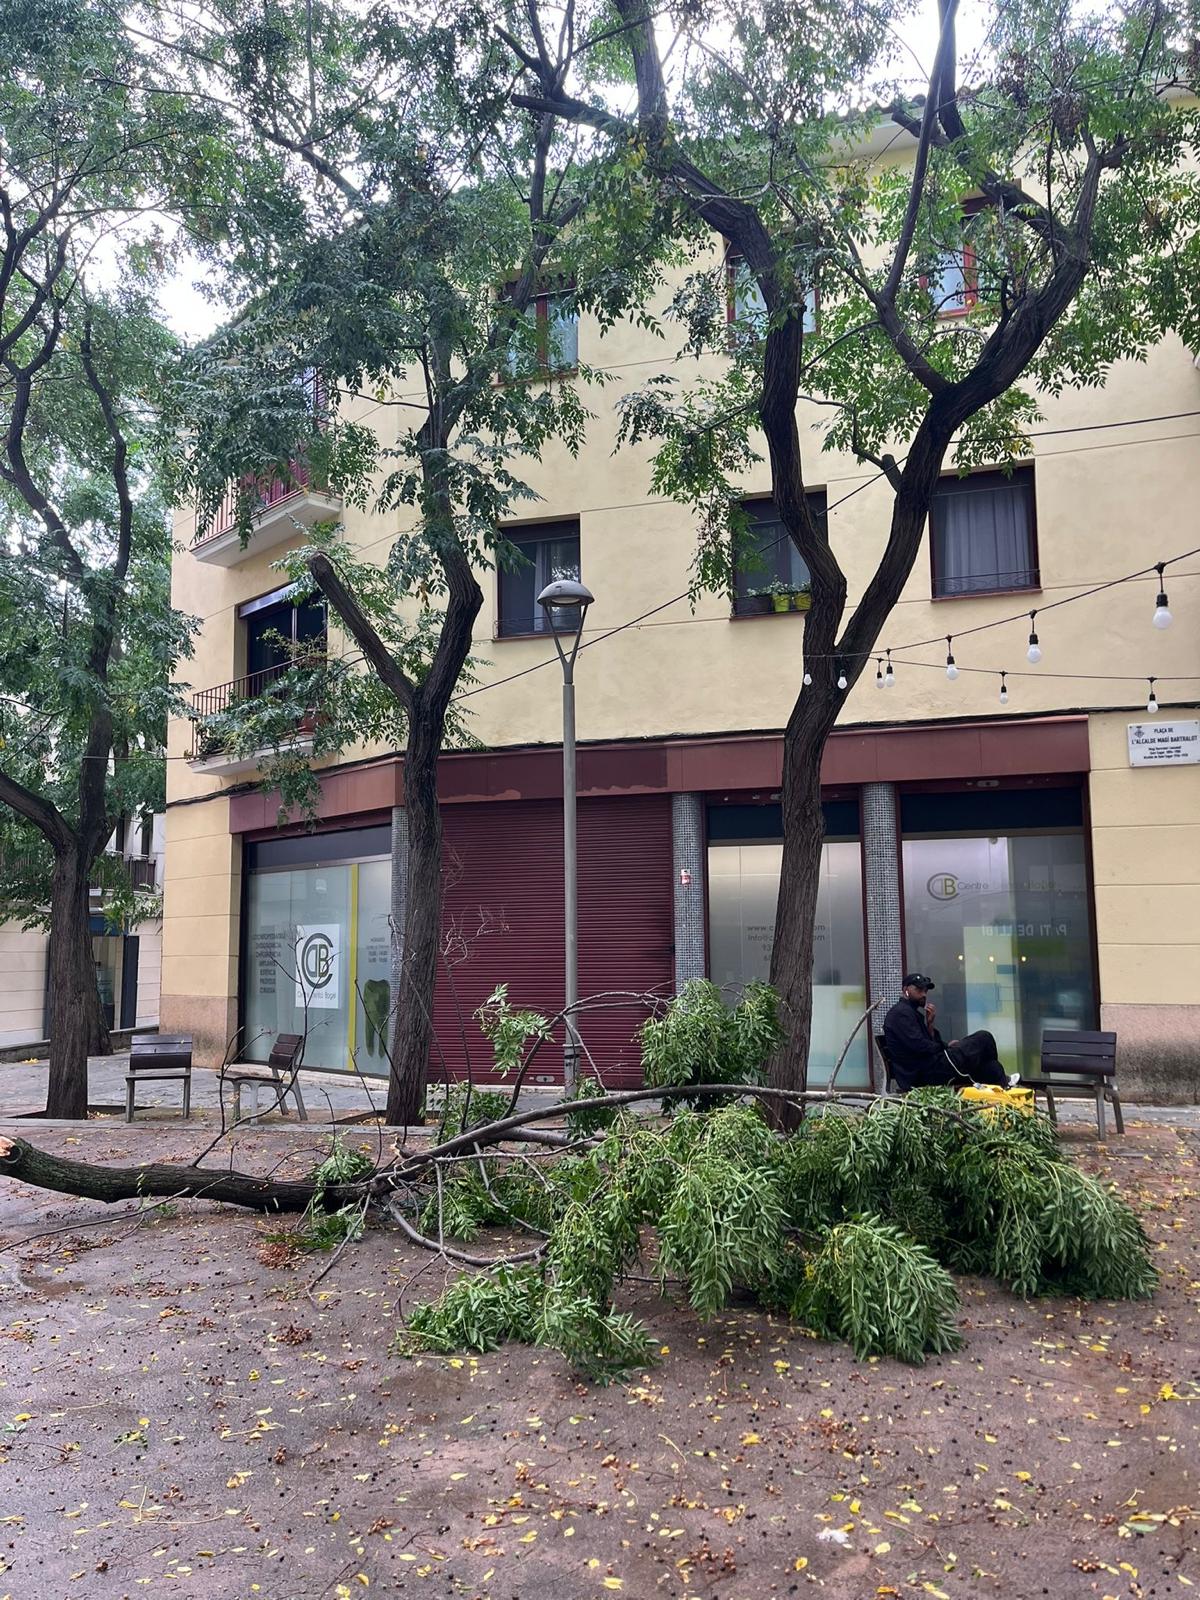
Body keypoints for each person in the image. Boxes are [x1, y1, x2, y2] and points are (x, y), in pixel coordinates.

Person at [882, 973, 1013, 1092]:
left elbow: (923, 1044)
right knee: (984, 1037)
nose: (924, 994)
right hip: (924, 1073)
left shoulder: (909, 1013)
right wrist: (945, 1047)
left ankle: (1004, 1090)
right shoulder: (901, 1014)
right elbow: (920, 1046)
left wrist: (930, 1024)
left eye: (925, 991)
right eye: (919, 990)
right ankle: (1003, 1087)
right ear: (906, 990)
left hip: (931, 1067)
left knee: (991, 1067)